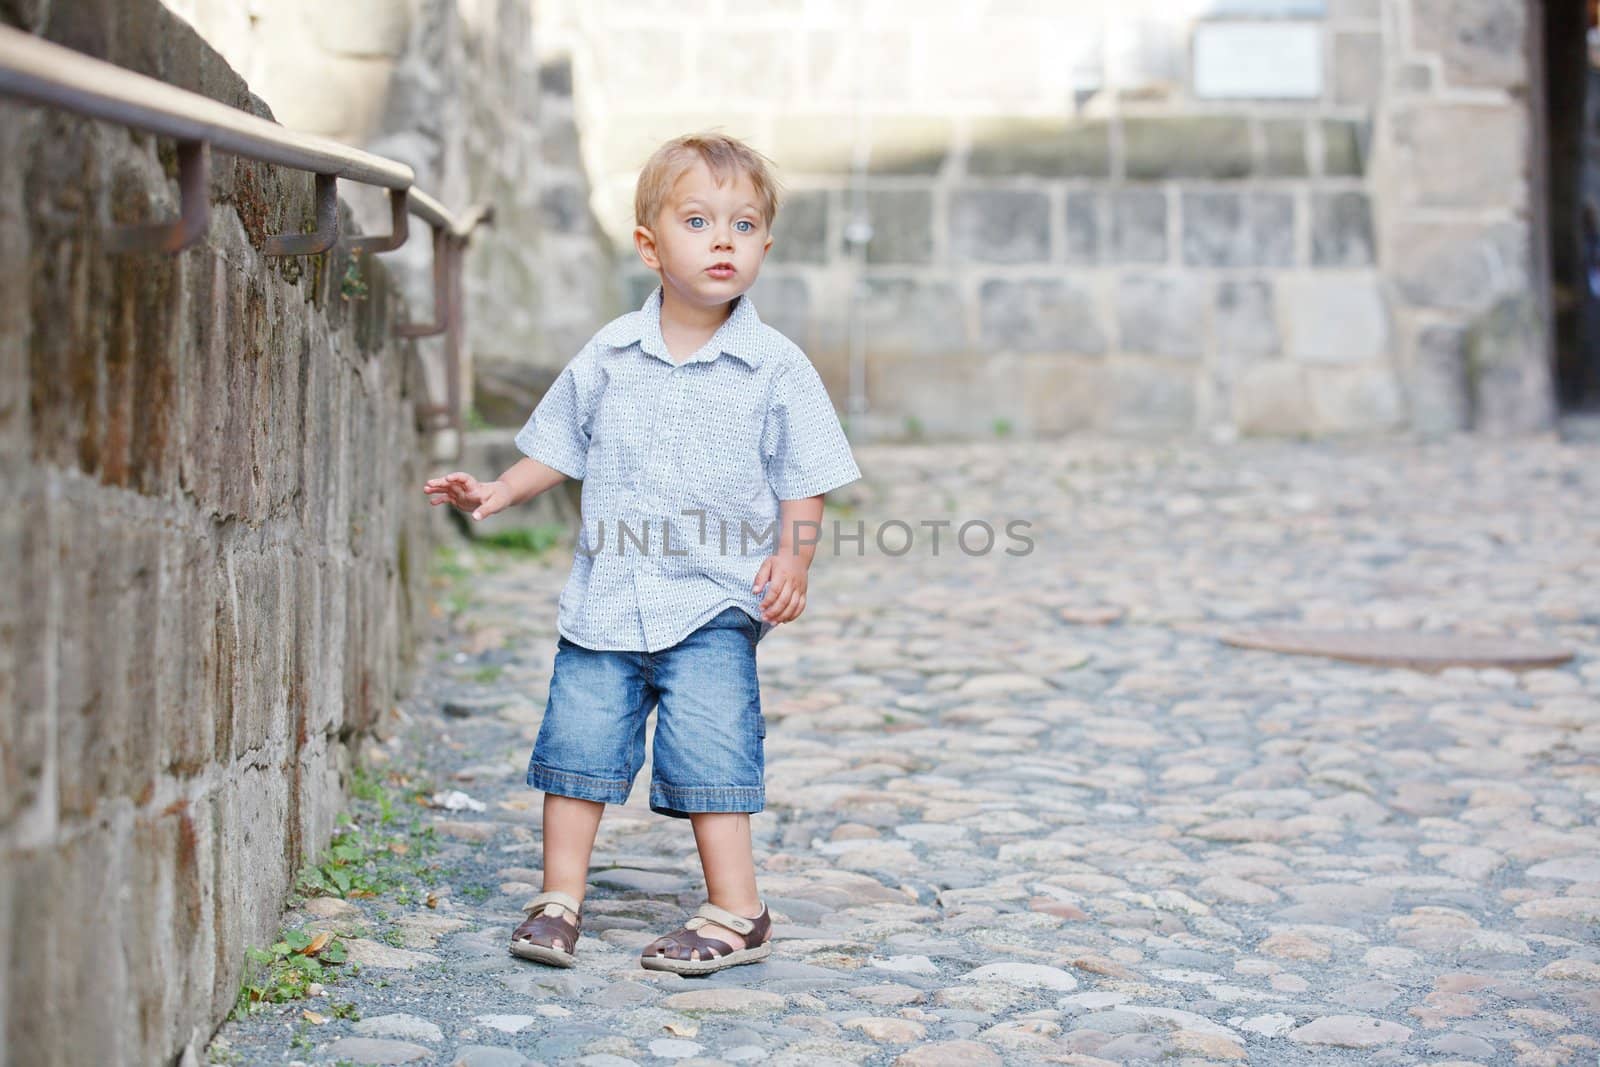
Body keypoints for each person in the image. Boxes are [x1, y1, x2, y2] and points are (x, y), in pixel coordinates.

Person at [422, 132, 861, 975]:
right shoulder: (612, 354)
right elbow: (558, 445)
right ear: (652, 247)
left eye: (743, 223)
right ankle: (559, 898)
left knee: (712, 751)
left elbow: (806, 474)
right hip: (607, 599)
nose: (723, 239)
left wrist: (793, 558)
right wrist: (497, 493)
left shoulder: (776, 367)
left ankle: (738, 907)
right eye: (698, 221)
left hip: (714, 600)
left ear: (765, 244)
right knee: (578, 745)